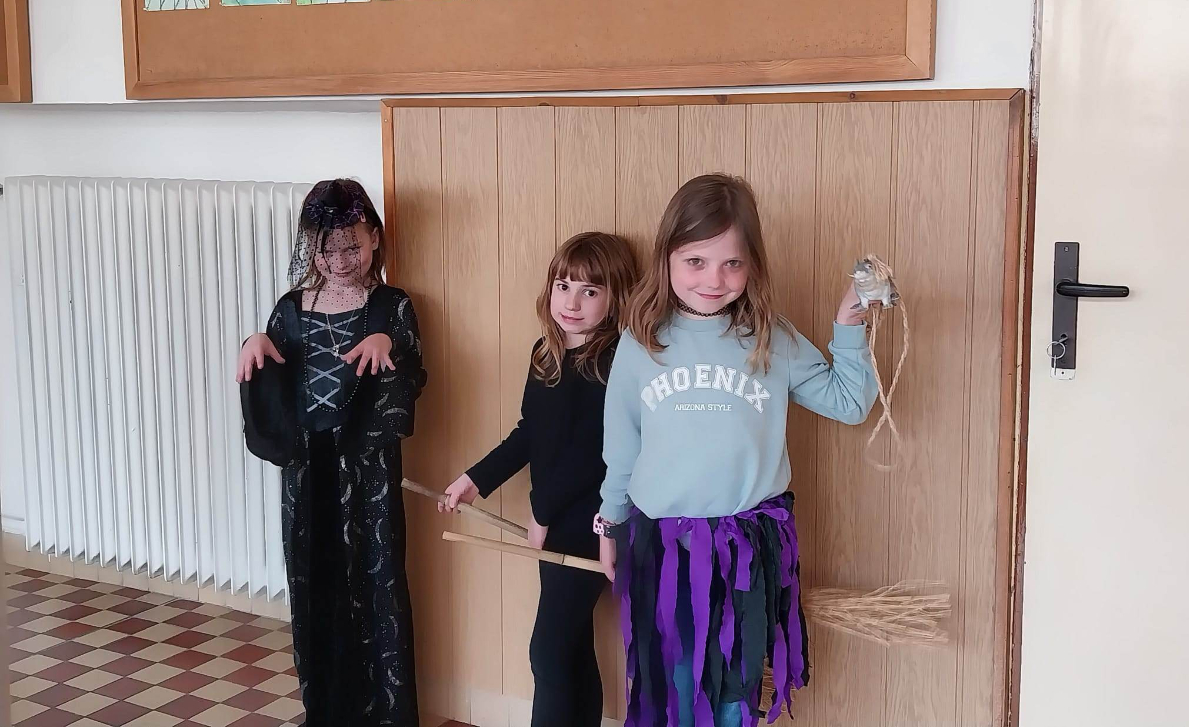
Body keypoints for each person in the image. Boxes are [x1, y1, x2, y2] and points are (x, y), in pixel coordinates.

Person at [594, 174, 879, 726]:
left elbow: (849, 403)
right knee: (673, 683)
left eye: (732, 263)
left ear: (753, 265)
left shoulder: (771, 337)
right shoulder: (641, 339)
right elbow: (622, 445)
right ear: (666, 257)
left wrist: (848, 323)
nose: (713, 279)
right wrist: (610, 522)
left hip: (746, 549)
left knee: (734, 688)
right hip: (665, 549)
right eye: (695, 261)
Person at [238, 178, 425, 726]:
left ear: (374, 240)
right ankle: (325, 710)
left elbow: (414, 374)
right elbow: (274, 378)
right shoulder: (291, 309)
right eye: (326, 249)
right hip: (307, 474)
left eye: (352, 246)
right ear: (310, 248)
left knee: (375, 586)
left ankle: (386, 716)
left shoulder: (391, 305)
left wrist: (389, 344)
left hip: (366, 473)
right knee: (314, 584)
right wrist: (255, 343)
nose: (340, 260)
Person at [441, 232, 639, 727]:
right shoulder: (546, 353)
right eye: (563, 286)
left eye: (590, 291)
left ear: (616, 296)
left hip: (592, 523)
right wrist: (475, 479)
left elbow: (592, 455)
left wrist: (541, 513)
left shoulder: (614, 362)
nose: (571, 302)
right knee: (570, 646)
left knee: (547, 653)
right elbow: (531, 433)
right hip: (556, 520)